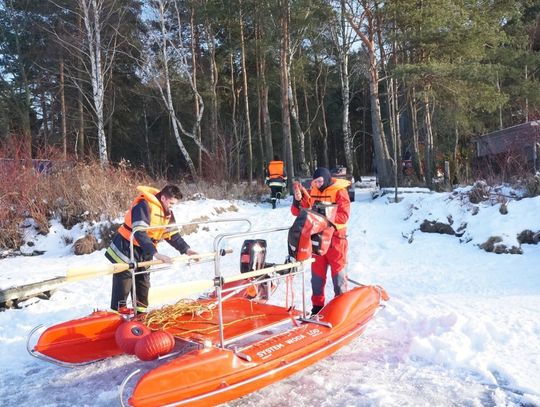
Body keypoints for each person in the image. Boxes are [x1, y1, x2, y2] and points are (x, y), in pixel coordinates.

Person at [105, 185, 198, 312]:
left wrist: (187, 250)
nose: (172, 207)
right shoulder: (144, 205)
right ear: (163, 198)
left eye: (174, 204)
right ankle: (117, 316)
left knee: (143, 284)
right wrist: (156, 254)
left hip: (145, 250)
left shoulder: (167, 213)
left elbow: (172, 235)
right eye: (171, 203)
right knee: (123, 285)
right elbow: (139, 232)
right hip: (126, 248)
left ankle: (140, 316)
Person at [291, 167, 351, 315]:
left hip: (336, 240)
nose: (317, 184)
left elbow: (343, 216)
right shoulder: (313, 190)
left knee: (339, 275)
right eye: (315, 182)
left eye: (320, 181)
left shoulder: (339, 191)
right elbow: (300, 211)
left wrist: (323, 215)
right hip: (317, 240)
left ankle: (340, 308)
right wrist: (298, 200)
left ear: (327, 178)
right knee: (317, 277)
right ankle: (317, 307)